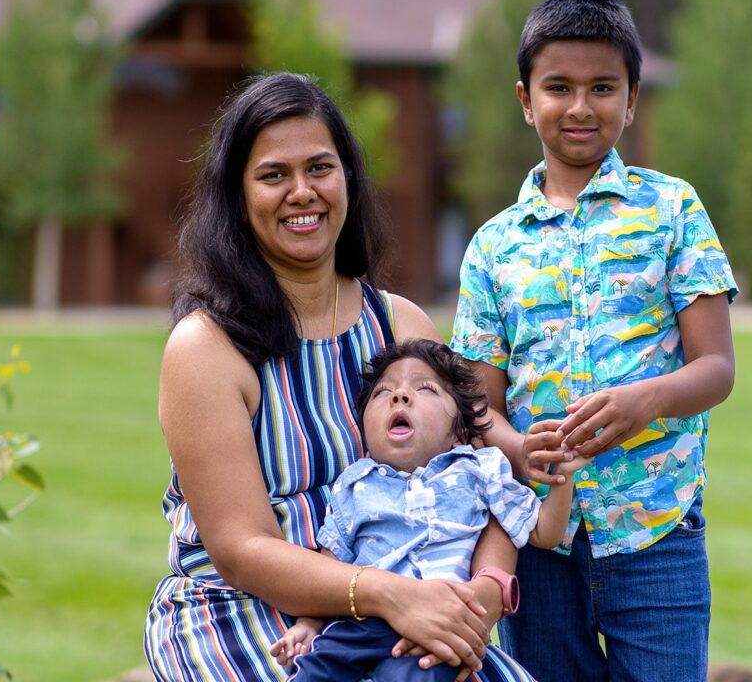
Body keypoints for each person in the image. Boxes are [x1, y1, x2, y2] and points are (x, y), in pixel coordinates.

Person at [143, 72, 533, 682]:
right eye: (273, 175)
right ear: (238, 198)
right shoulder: (208, 348)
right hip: (248, 611)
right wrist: (383, 595)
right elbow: (243, 552)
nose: (302, 191)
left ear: (348, 178)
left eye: (320, 168)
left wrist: (481, 597)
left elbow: (476, 488)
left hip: (410, 600)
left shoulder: (402, 326)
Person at [451, 0, 738, 682]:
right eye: (559, 88)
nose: (580, 107)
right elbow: (476, 406)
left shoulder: (673, 209)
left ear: (632, 98)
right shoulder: (492, 248)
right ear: (526, 99)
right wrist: (522, 449)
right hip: (538, 540)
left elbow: (717, 368)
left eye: (602, 88)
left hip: (657, 533)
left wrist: (647, 400)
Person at [271, 339, 591, 681]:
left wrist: (564, 478)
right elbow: (330, 562)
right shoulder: (354, 484)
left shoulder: (479, 470)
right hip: (363, 620)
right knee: (314, 671)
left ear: (460, 433)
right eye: (383, 393)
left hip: (440, 621)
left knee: (413, 676)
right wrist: (308, 624)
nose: (400, 396)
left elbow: (546, 532)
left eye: (425, 389)